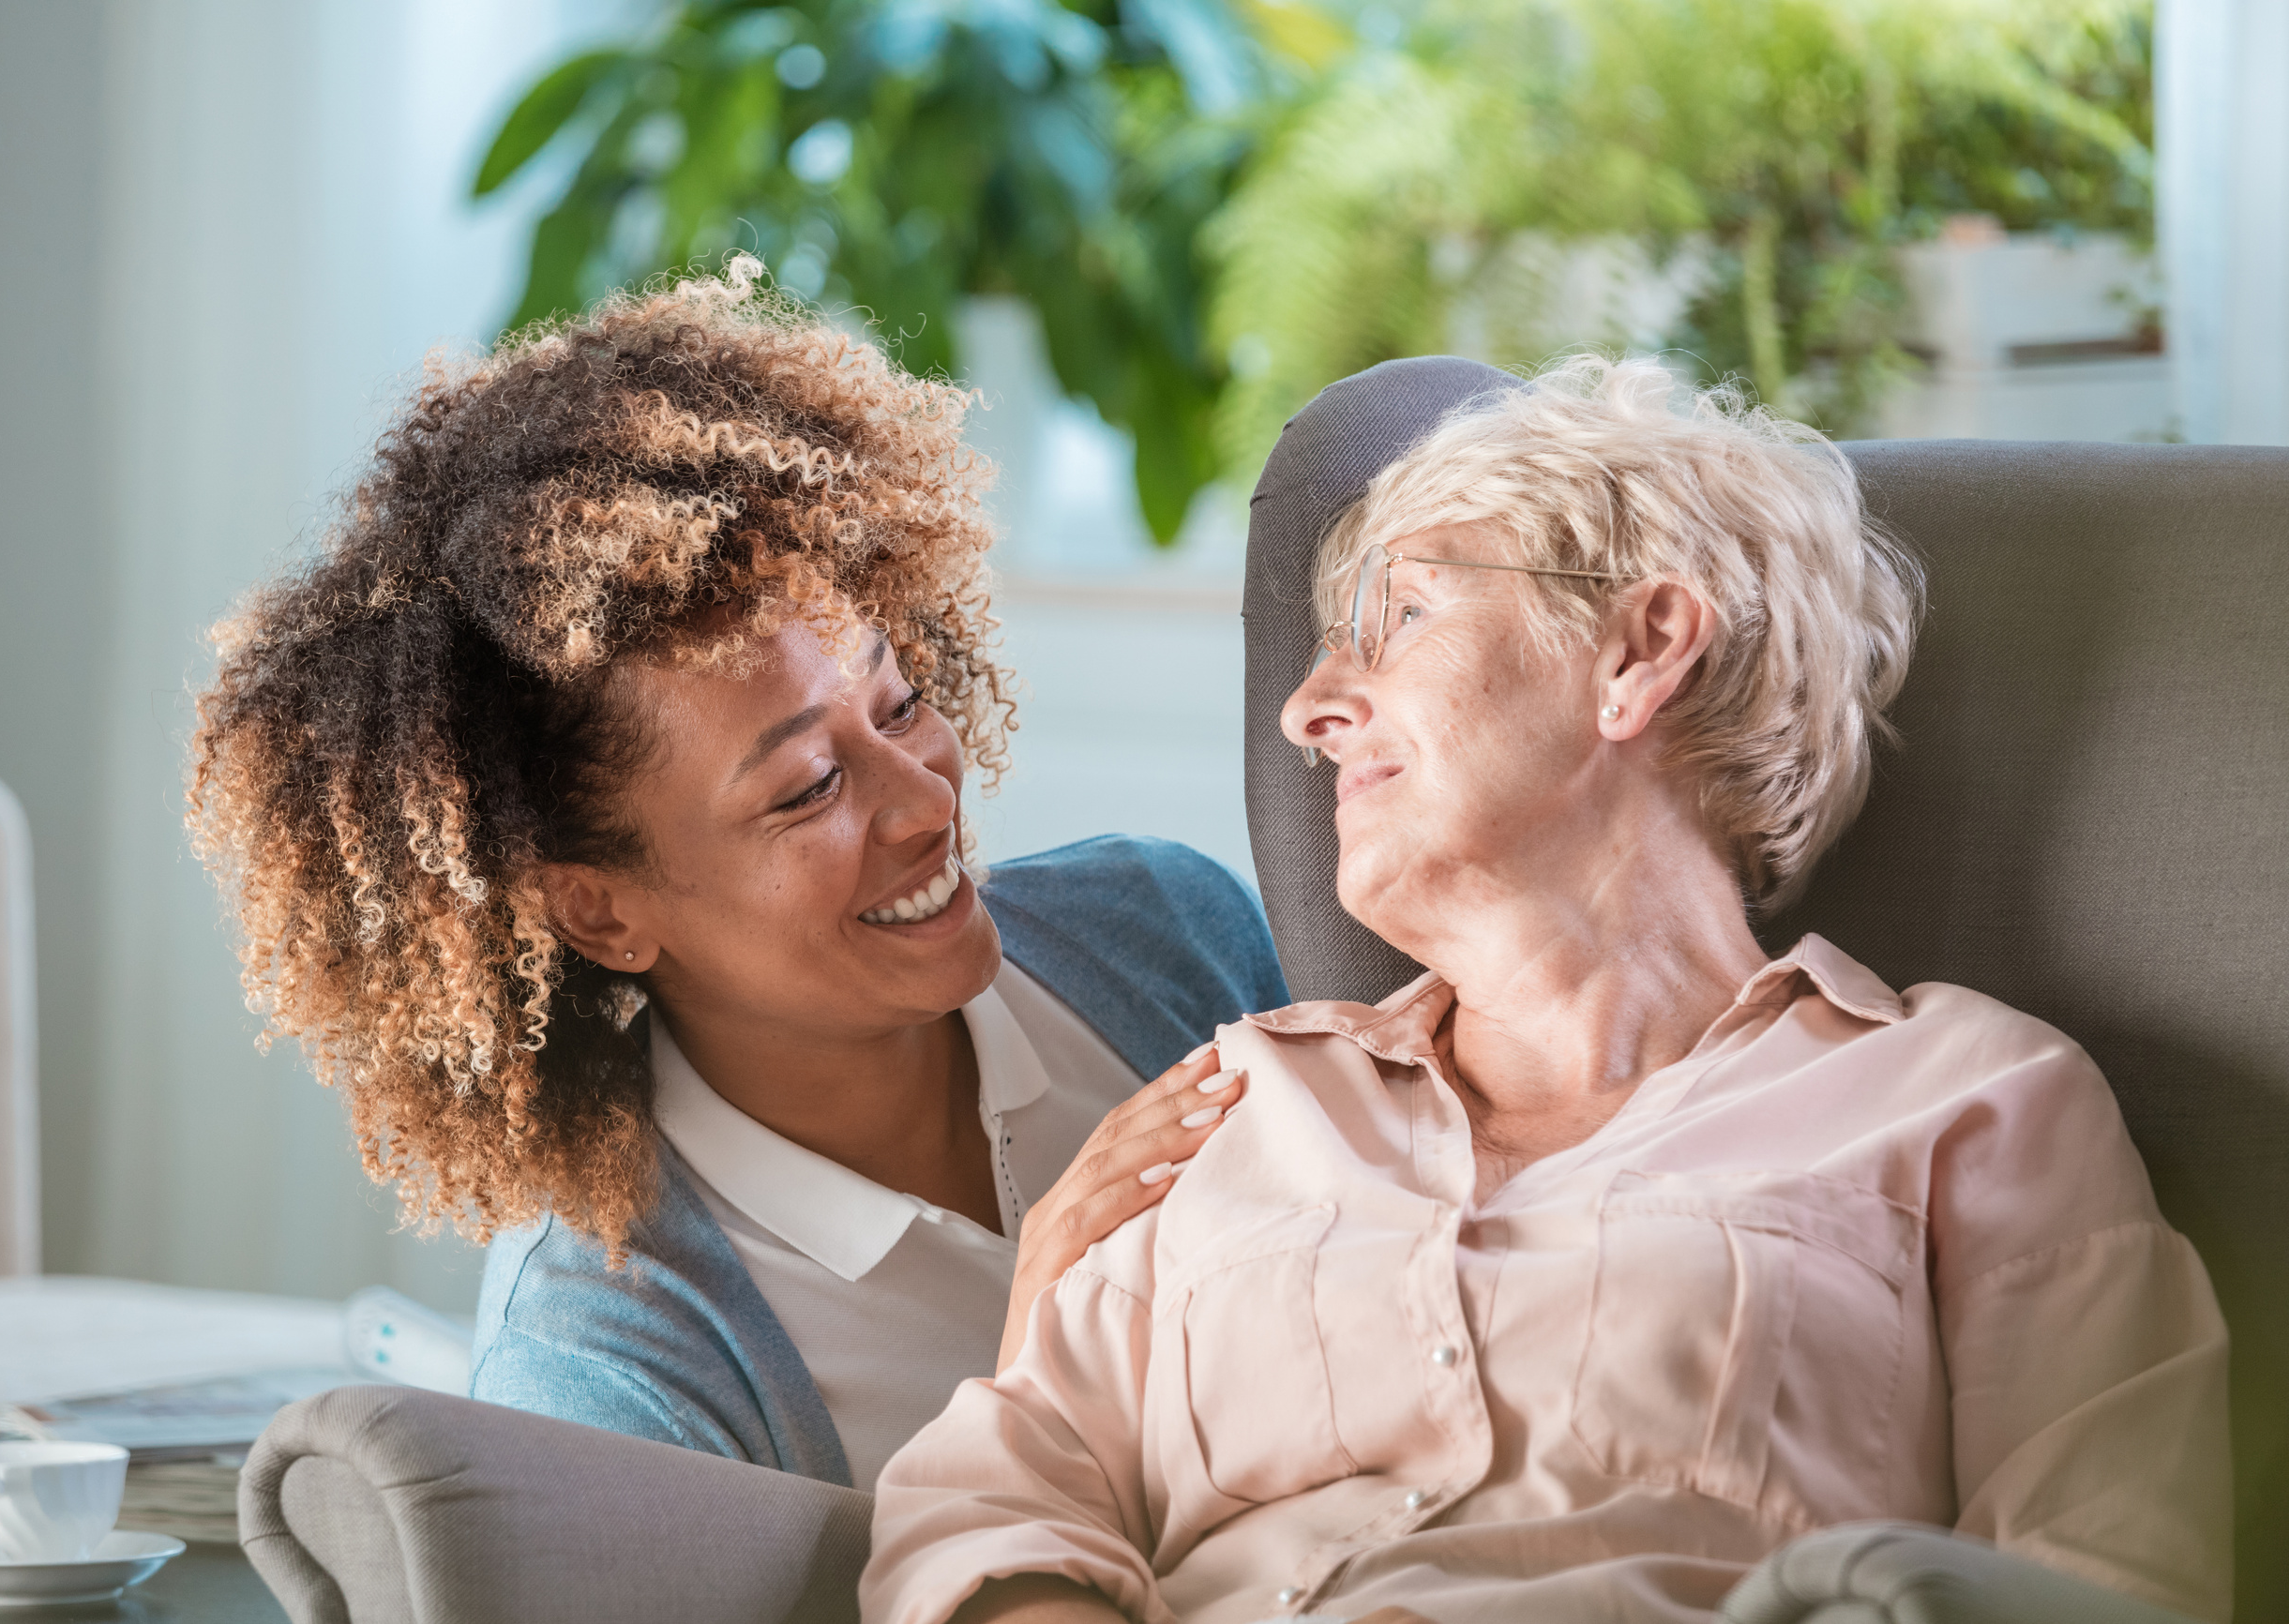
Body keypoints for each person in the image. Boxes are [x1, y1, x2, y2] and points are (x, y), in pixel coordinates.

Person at [862, 356, 2232, 1623]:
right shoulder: (1235, 1111)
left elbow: (2101, 1569)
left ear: (1638, 649)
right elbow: (992, 1504)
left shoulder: (1969, 1100)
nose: (1308, 709)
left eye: (1398, 615)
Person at [185, 263, 1288, 1491]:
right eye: (810, 788)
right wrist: (1033, 1400)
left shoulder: (1170, 939)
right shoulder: (607, 1378)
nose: (929, 803)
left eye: (899, 703)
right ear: (600, 908)